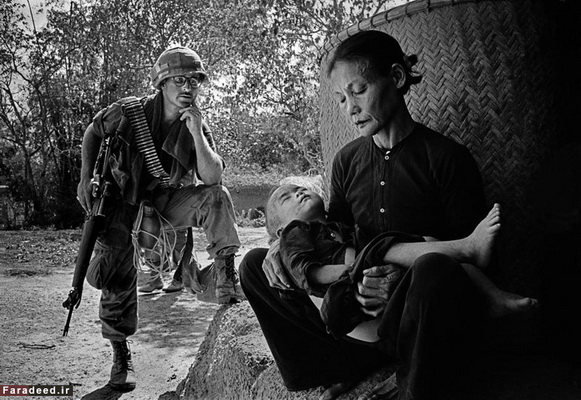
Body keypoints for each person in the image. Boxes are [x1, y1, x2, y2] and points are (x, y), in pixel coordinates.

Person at [239, 30, 511, 400]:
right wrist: (284, 247)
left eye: (359, 90)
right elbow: (332, 236)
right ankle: (341, 365)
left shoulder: (446, 159)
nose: (349, 108)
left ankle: (411, 380)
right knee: (255, 265)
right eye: (341, 98)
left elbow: (469, 256)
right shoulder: (347, 161)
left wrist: (398, 278)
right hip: (356, 310)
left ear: (396, 78)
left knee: (434, 267)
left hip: (416, 314)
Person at [77, 46, 241, 392]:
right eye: (179, 80)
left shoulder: (195, 123)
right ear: (162, 83)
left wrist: (196, 133)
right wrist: (85, 177)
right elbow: (93, 132)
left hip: (164, 205)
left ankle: (226, 279)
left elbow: (213, 178)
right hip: (122, 204)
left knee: (217, 198)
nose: (188, 88)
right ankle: (120, 355)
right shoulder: (129, 111)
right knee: (115, 273)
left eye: (194, 81)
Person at [267, 183, 537, 341]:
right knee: (383, 246)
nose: (298, 193)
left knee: (433, 252)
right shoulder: (295, 233)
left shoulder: (337, 227)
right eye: (286, 198)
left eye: (300, 188)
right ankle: (468, 247)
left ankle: (493, 297)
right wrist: (348, 270)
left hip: (367, 276)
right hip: (343, 295)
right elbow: (308, 273)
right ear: (280, 233)